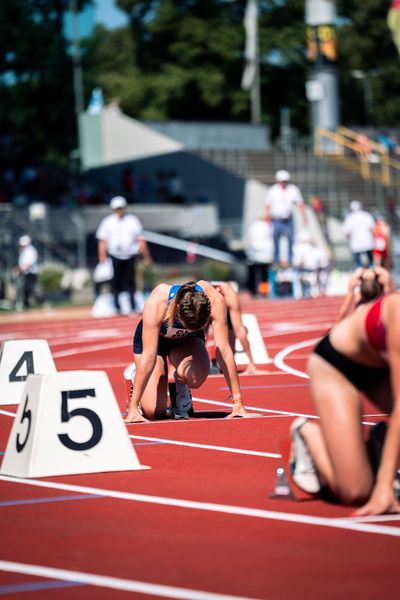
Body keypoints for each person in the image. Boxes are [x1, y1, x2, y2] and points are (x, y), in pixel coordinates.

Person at [286, 289, 400, 515]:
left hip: (379, 366)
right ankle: (306, 432)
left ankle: (379, 441)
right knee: (356, 491)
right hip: (336, 367)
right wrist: (384, 486)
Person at [124, 280, 260, 423]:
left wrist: (238, 403)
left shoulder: (215, 300)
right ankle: (137, 383)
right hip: (155, 343)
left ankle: (179, 384)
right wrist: (133, 407)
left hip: (187, 341)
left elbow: (224, 351)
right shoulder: (158, 300)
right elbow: (149, 356)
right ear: (177, 308)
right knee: (153, 411)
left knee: (196, 378)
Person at [96, 196, 152, 314]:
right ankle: (117, 308)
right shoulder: (108, 221)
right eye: (117, 208)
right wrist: (102, 258)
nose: (119, 210)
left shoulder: (132, 220)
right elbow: (102, 241)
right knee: (115, 282)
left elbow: (140, 239)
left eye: (121, 208)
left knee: (130, 282)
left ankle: (132, 307)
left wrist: (146, 256)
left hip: (130, 255)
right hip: (114, 256)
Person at [208, 281, 268, 375]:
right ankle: (248, 364)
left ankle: (207, 364)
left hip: (212, 297)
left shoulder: (224, 294)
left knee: (203, 331)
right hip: (221, 294)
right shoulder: (227, 292)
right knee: (235, 329)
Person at [264, 170, 307, 267]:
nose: (284, 183)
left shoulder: (293, 190)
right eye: (282, 181)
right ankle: (276, 259)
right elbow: (267, 205)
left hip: (288, 219)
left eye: (285, 181)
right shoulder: (273, 190)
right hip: (276, 219)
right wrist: (266, 217)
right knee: (275, 240)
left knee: (291, 239)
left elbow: (300, 204)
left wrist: (304, 217)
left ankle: (290, 260)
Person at [245, 208, 273, 297]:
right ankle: (264, 292)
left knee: (253, 274)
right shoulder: (267, 226)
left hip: (254, 253)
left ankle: (253, 292)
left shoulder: (252, 226)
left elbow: (250, 238)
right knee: (264, 274)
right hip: (264, 254)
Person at [342, 201, 374, 268]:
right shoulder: (366, 215)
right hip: (367, 242)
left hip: (356, 244)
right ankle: (372, 275)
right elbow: (372, 228)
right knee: (371, 264)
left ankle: (360, 275)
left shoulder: (350, 218)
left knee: (358, 266)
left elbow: (346, 232)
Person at [13, 235, 39, 309]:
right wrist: (19, 269)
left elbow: (30, 263)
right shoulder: (23, 251)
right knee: (24, 289)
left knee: (29, 288)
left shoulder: (31, 250)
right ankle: (26, 304)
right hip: (24, 272)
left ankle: (30, 303)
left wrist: (20, 269)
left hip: (31, 272)